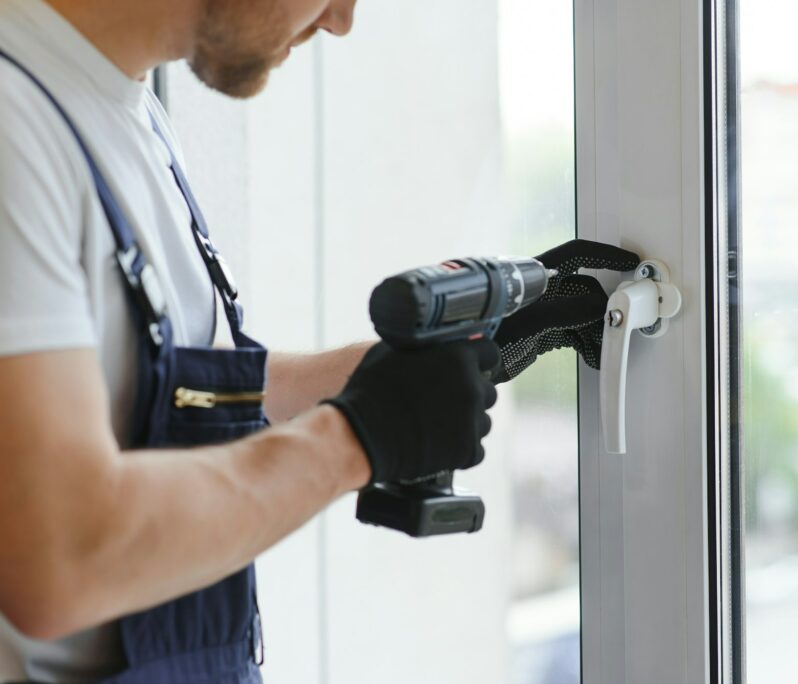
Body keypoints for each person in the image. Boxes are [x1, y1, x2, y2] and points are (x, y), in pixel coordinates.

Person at [0, 0, 639, 681]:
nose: (341, 19)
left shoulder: (124, 106)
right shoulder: (15, 124)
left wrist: (415, 366)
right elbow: (59, 557)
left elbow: (174, 388)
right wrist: (358, 437)